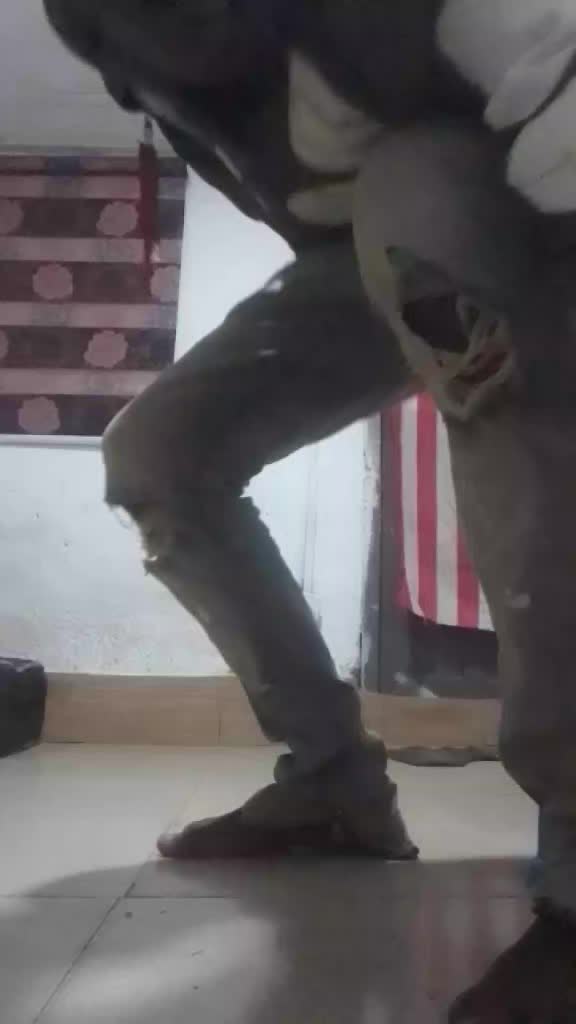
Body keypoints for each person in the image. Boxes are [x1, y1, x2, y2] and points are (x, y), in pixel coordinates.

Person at [43, 2, 576, 1020]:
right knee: (162, 454)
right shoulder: (98, 23)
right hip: (355, 251)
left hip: (509, 193)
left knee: (427, 223)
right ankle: (334, 788)